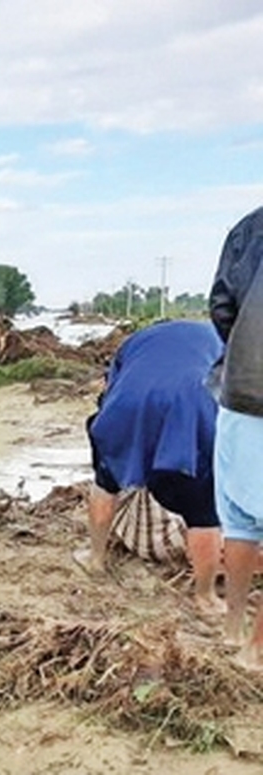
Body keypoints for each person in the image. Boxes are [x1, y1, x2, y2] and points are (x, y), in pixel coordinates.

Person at [76, 320, 224, 617]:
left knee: (105, 482)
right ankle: (205, 597)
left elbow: (110, 388)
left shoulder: (136, 341)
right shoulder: (225, 339)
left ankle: (95, 559)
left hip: (125, 404)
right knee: (203, 513)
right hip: (189, 407)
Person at [209, 206, 263, 660]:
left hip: (242, 390)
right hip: (244, 387)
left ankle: (232, 626)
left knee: (241, 521)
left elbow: (222, 306)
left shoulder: (251, 227)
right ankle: (258, 649)